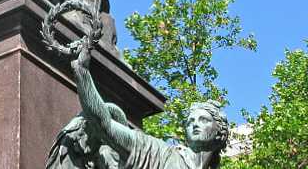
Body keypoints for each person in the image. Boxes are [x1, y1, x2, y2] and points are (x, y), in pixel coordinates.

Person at [70, 44, 229, 169]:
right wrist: (82, 72)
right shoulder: (159, 152)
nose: (194, 124)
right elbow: (105, 125)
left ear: (220, 133)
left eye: (203, 120)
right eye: (190, 121)